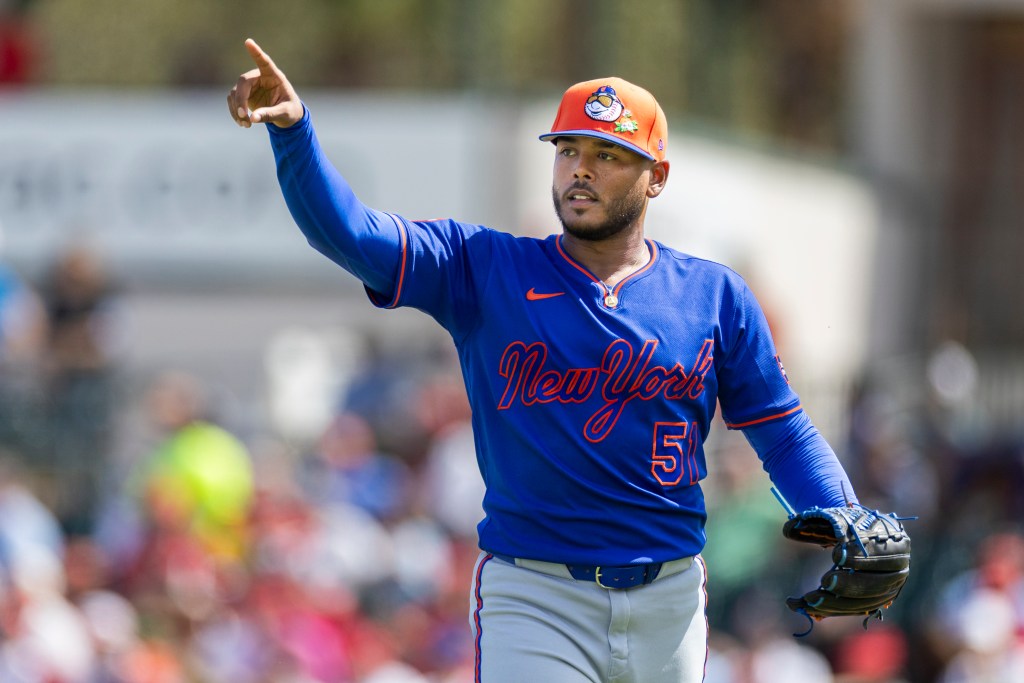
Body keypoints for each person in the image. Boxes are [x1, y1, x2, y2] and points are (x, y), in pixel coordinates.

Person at [228, 39, 898, 683]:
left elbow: (781, 428)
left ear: (655, 176)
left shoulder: (714, 295)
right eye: (569, 149)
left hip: (669, 596)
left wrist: (842, 512)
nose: (580, 168)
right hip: (535, 593)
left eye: (607, 154)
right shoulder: (485, 268)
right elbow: (350, 233)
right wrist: (293, 132)